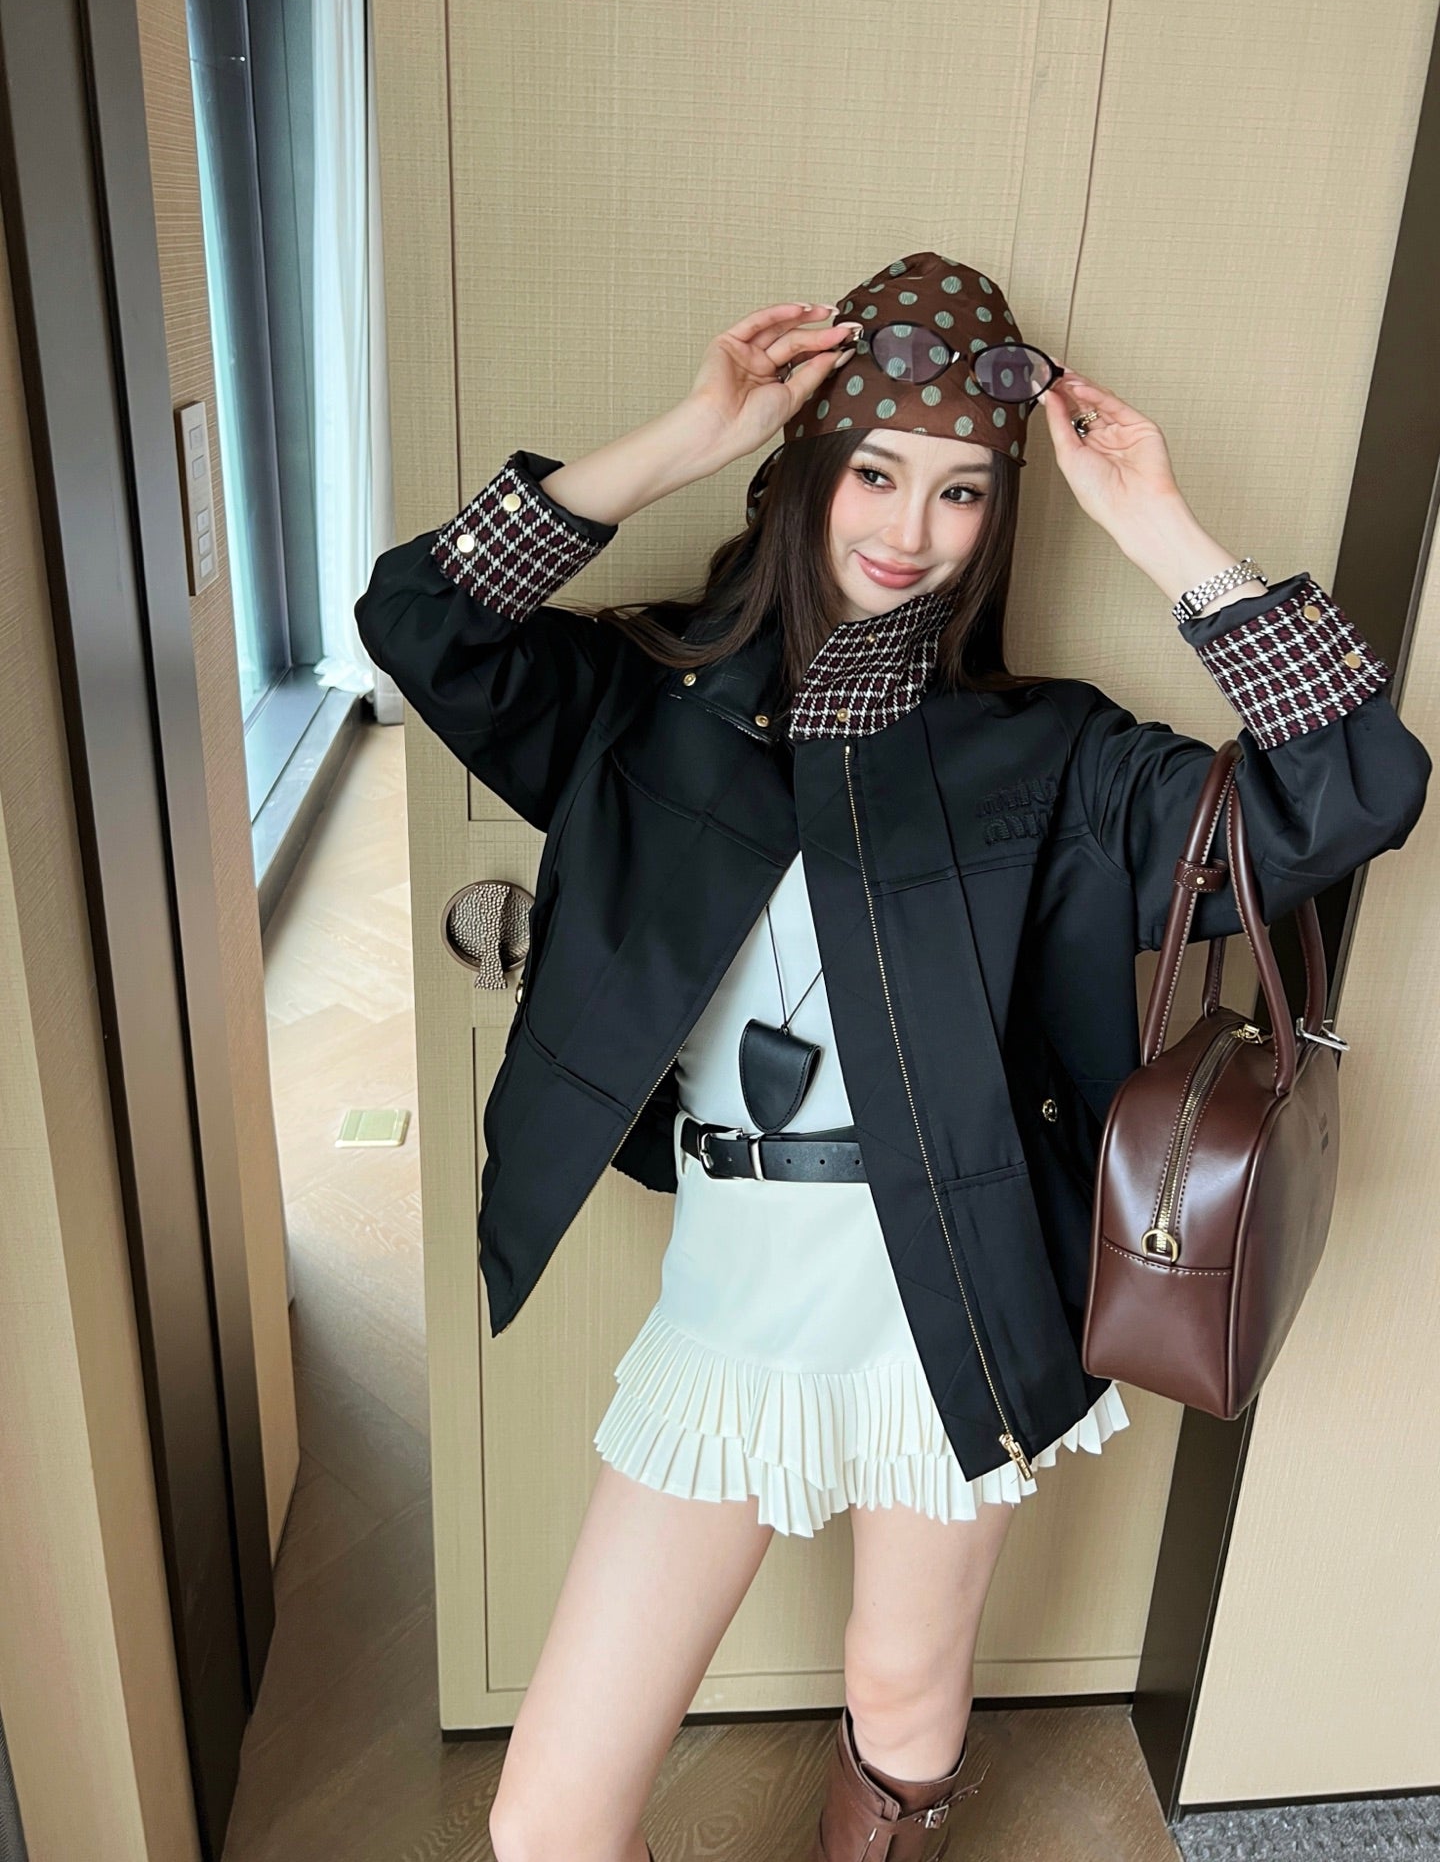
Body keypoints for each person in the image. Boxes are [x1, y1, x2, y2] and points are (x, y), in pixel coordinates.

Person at [353, 250, 1430, 1862]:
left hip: (963, 1294)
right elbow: (418, 618)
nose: (910, 530)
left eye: (961, 492)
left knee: (904, 1694)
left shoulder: (1052, 755)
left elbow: (1355, 786)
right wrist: (689, 435)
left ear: (1003, 517)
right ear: (806, 472)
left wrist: (1158, 526)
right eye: (872, 472)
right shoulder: (645, 706)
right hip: (731, 1297)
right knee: (548, 1818)